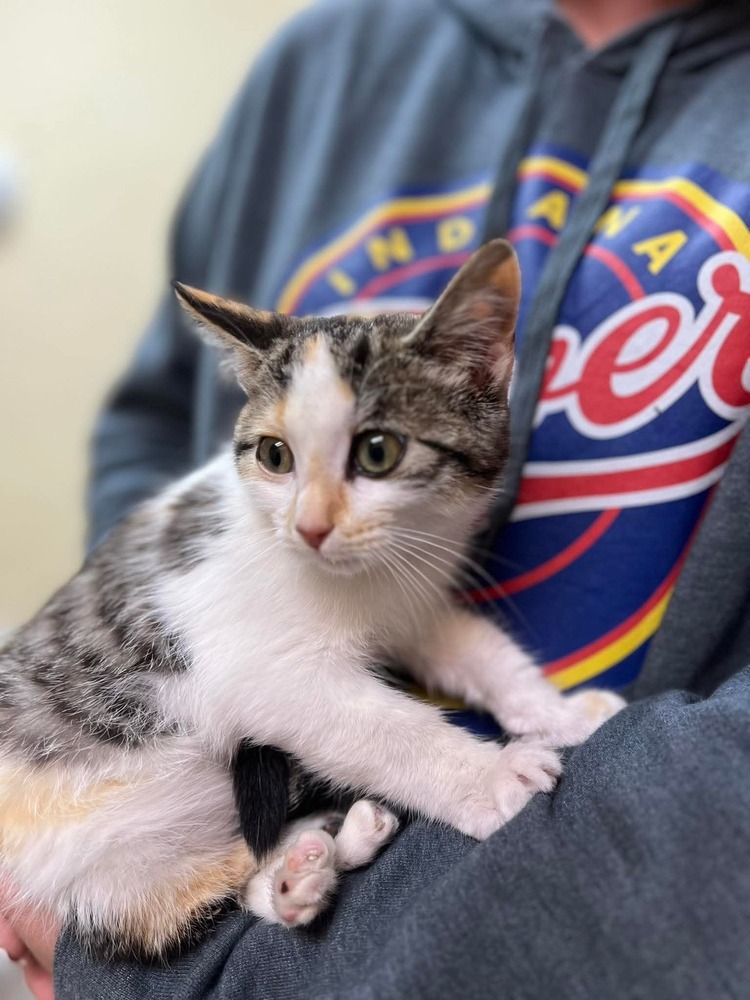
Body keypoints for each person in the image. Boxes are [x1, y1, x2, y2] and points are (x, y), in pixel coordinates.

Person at [3, 0, 750, 995]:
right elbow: (150, 420)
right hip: (129, 833)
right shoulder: (323, 58)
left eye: (376, 454)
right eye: (273, 457)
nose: (310, 522)